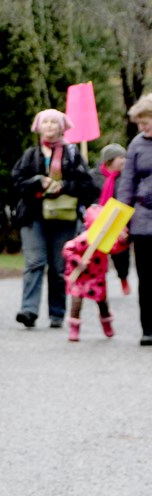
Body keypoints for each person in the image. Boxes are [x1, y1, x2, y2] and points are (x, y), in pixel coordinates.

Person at [12, 109, 97, 330]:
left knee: (59, 266)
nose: (49, 126)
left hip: (64, 217)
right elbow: (16, 182)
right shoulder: (31, 155)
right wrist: (38, 182)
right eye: (45, 122)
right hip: (34, 216)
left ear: (61, 127)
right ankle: (29, 310)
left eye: (54, 122)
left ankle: (57, 312)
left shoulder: (72, 154)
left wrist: (65, 186)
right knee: (34, 262)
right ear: (38, 126)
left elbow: (88, 186)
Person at [62, 204, 129, 341]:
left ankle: (107, 323)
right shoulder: (84, 239)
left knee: (102, 302)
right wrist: (78, 261)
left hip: (96, 276)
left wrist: (123, 241)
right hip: (80, 276)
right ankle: (74, 329)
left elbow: (115, 248)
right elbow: (68, 249)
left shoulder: (105, 241)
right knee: (76, 302)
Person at [120, 94, 152, 346]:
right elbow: (127, 184)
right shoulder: (136, 145)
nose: (142, 127)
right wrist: (121, 220)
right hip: (143, 219)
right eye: (140, 123)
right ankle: (148, 329)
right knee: (146, 277)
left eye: (146, 121)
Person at [90, 143, 131, 295]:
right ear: (109, 160)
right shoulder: (94, 176)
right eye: (120, 157)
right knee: (97, 256)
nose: (124, 161)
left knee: (121, 255)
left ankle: (123, 277)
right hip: (97, 219)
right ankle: (98, 284)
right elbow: (86, 194)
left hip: (119, 221)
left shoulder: (126, 176)